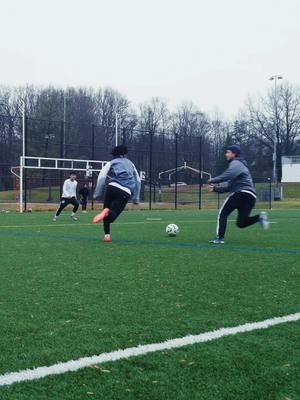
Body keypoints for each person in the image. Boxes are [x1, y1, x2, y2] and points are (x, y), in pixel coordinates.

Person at [207, 144, 269, 244]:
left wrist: (214, 179)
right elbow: (228, 187)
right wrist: (215, 189)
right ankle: (259, 217)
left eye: (228, 152)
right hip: (250, 196)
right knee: (241, 223)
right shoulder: (239, 167)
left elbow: (229, 174)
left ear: (234, 154)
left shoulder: (236, 163)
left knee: (223, 213)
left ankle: (219, 238)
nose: (226, 154)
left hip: (240, 193)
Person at [93, 145, 141, 242]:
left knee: (106, 211)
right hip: (125, 191)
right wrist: (136, 198)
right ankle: (107, 212)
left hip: (111, 188)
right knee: (112, 214)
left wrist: (97, 193)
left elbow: (102, 176)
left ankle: (107, 236)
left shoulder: (111, 162)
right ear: (125, 153)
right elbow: (138, 180)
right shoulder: (131, 164)